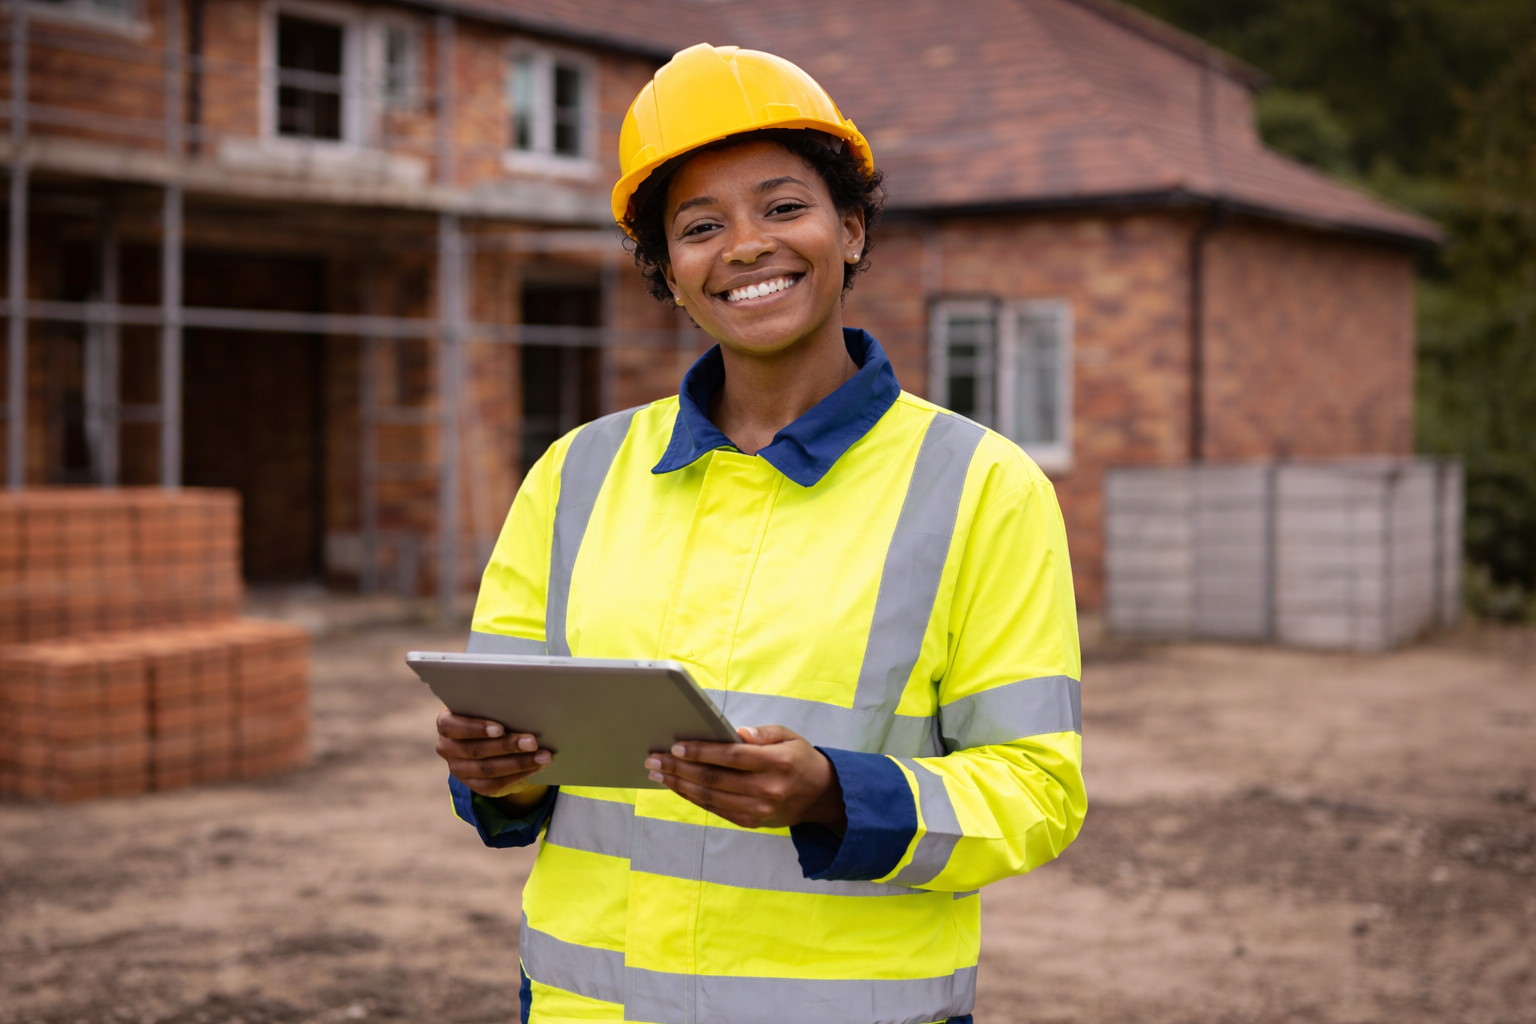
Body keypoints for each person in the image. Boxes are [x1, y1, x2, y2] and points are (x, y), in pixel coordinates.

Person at [434, 43, 1085, 1024]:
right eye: (700, 226)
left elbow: (1036, 790)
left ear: (852, 229)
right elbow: (510, 743)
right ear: (668, 272)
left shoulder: (981, 487)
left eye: (783, 207)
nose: (744, 246)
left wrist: (835, 792)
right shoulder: (575, 476)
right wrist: (495, 774)